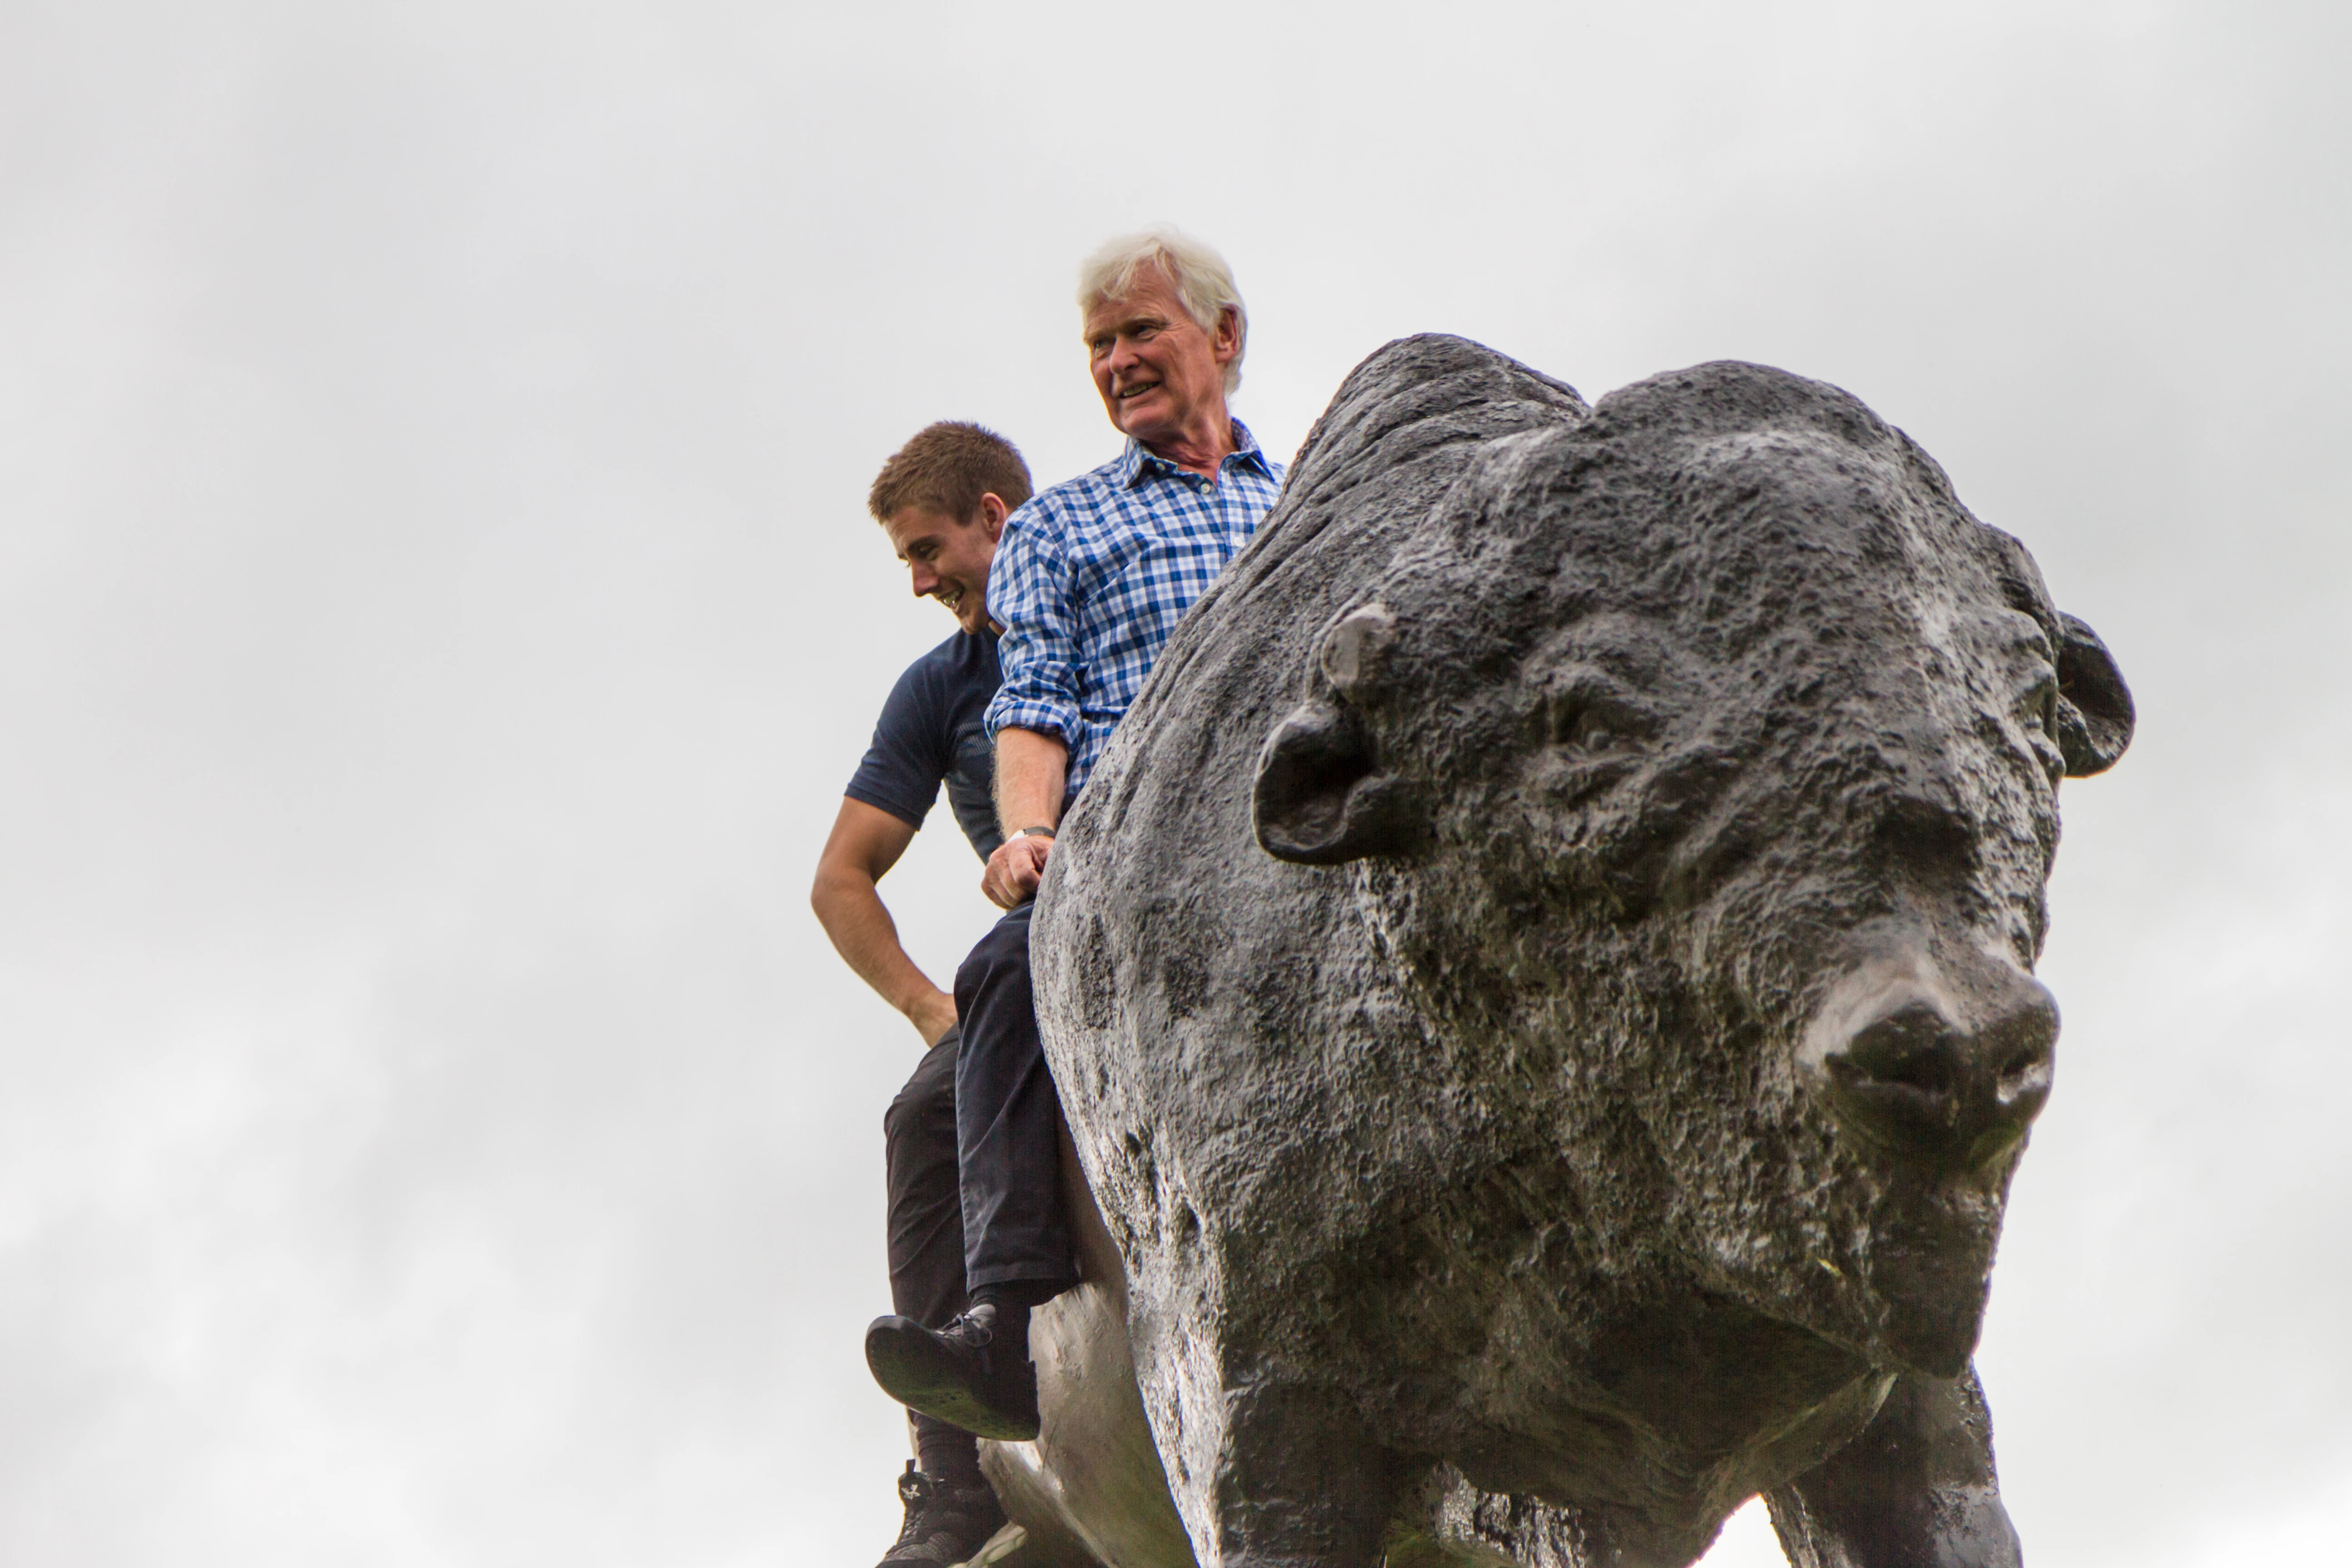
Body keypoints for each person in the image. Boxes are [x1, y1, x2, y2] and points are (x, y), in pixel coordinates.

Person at [863, 229, 1284, 1444]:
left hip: (1312, 819)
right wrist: (1029, 833)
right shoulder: (1065, 528)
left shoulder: (1308, 496)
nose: (1116, 361)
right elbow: (1034, 700)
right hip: (1142, 848)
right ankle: (1003, 1328)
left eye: (1139, 331)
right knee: (1004, 968)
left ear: (1223, 338)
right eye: (1097, 345)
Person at [812, 421, 1033, 1568]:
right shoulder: (939, 688)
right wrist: (923, 1007)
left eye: (928, 548)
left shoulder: (1091, 598)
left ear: (994, 518)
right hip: (1036, 946)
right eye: (905, 560)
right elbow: (839, 881)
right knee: (916, 1115)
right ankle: (955, 1478)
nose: (919, 581)